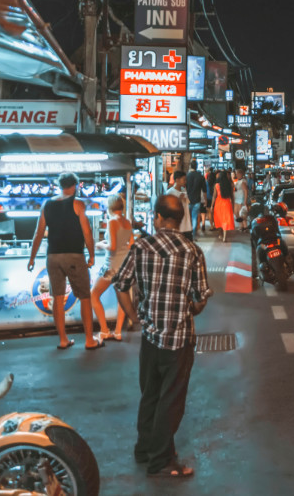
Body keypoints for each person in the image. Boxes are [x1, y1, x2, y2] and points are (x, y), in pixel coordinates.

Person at [113, 194, 211, 478]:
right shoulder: (192, 250)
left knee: (150, 395)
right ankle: (161, 460)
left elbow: (121, 286)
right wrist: (192, 307)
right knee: (172, 400)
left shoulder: (141, 247)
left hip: (150, 335)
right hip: (179, 338)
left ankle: (145, 449)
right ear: (179, 221)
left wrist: (134, 318)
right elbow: (200, 297)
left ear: (157, 217)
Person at [27, 173, 102, 351]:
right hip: (74, 255)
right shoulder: (78, 204)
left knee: (57, 298)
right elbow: (87, 232)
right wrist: (91, 255)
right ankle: (89, 340)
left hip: (53, 256)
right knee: (84, 297)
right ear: (75, 186)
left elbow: (38, 233)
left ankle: (63, 339)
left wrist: (32, 258)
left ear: (59, 186)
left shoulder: (47, 204)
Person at [91, 194, 133, 342]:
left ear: (109, 207)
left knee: (93, 295)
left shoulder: (112, 222)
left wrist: (101, 244)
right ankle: (118, 332)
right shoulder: (127, 222)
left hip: (111, 266)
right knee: (121, 298)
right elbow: (131, 244)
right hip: (125, 266)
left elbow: (112, 246)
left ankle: (104, 330)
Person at [165, 171, 194, 238]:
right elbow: (168, 209)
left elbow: (187, 204)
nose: (185, 181)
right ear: (177, 180)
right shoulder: (170, 192)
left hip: (187, 225)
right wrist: (178, 200)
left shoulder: (184, 190)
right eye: (184, 179)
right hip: (177, 226)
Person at [212, 171, 235, 242]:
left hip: (218, 203)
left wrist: (212, 205)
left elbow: (214, 196)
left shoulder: (216, 185)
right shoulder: (230, 185)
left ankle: (220, 234)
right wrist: (233, 205)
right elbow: (232, 196)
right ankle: (225, 237)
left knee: (219, 219)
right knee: (225, 219)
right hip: (227, 203)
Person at [185, 161, 207, 238]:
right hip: (197, 200)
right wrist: (205, 200)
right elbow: (204, 190)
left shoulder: (187, 176)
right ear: (197, 166)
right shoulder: (200, 176)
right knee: (194, 217)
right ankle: (194, 234)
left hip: (188, 200)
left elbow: (184, 188)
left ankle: (188, 233)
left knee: (188, 217)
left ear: (191, 166)